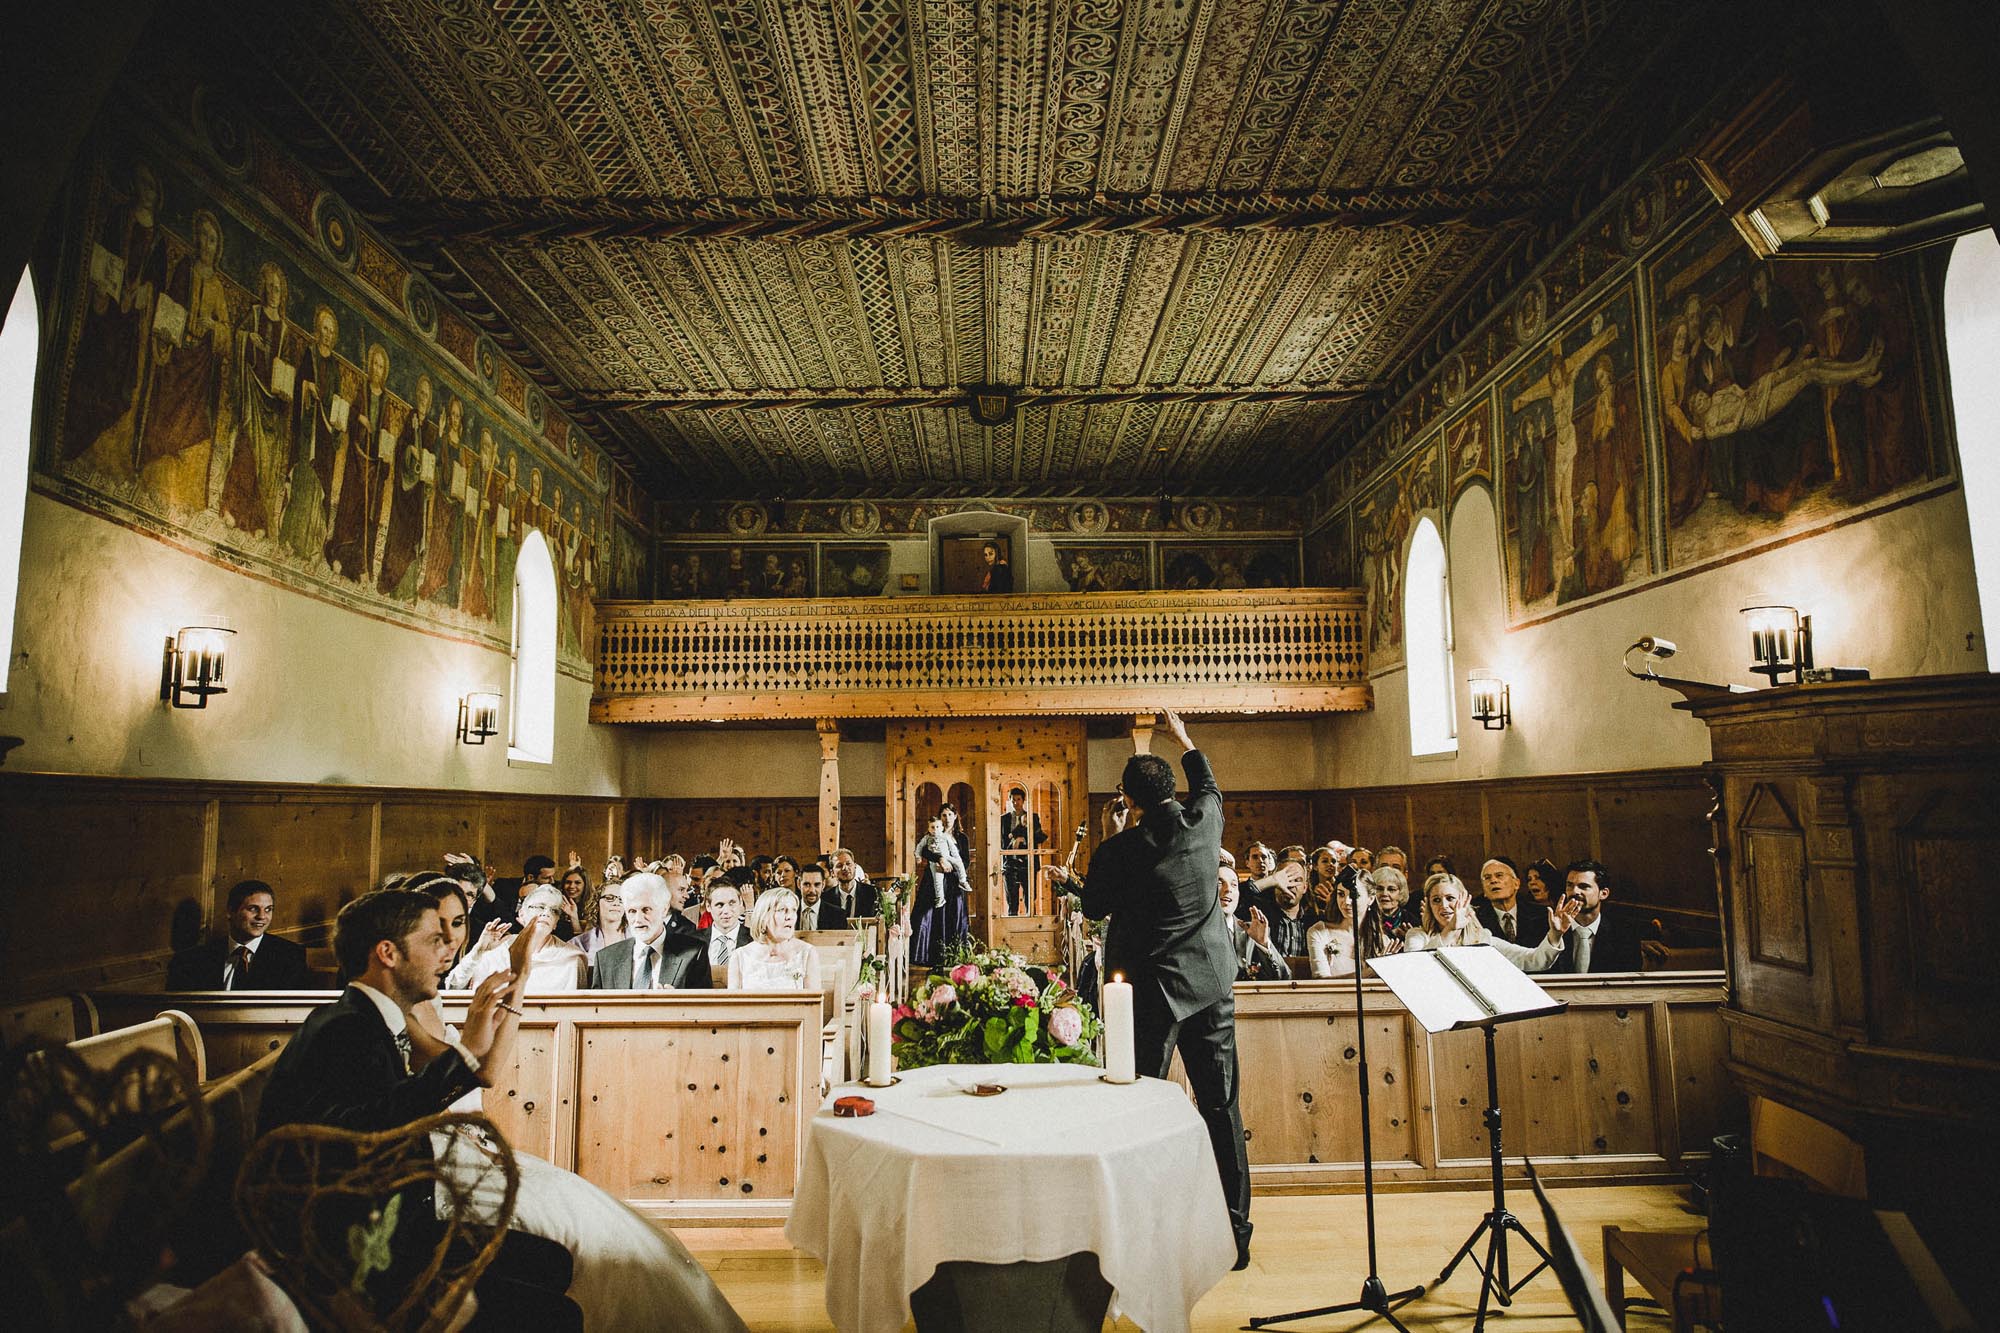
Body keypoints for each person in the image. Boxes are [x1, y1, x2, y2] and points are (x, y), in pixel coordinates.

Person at [256, 889, 582, 1328]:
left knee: (551, 1261)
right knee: (557, 1316)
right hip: (354, 1252)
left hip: (399, 1223)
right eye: (433, 940)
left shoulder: (370, 1019)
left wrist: (473, 1042)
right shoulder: (344, 1031)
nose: (448, 950)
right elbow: (361, 1135)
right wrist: (465, 1051)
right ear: (388, 953)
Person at [1048, 709, 1252, 1270]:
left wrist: (1116, 838)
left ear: (1127, 799)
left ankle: (1137, 1225)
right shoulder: (1206, 820)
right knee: (1221, 1106)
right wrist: (1183, 738)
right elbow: (1207, 784)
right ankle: (1236, 1236)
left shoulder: (1120, 850)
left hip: (1151, 995)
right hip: (1211, 987)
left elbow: (1093, 906)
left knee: (1138, 1108)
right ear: (1171, 792)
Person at [1403, 873, 1572, 972]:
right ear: (1429, 905)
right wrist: (1450, 930)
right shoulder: (1417, 936)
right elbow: (1416, 969)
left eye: (1450, 898)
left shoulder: (1481, 938)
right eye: (1436, 900)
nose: (1444, 906)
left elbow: (1533, 960)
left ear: (1464, 900)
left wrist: (1555, 935)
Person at [167, 879, 314, 990]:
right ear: (231, 911)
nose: (262, 916)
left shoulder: (290, 956)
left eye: (268, 909)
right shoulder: (193, 961)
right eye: (253, 909)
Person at [456, 885, 587, 992]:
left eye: (554, 911)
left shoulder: (572, 958)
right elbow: (455, 986)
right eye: (540, 907)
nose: (546, 913)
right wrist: (479, 950)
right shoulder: (497, 951)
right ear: (521, 915)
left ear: (556, 923)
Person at [589, 874, 711, 989]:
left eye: (646, 910)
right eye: (632, 911)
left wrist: (677, 1005)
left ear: (664, 909)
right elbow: (596, 1010)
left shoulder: (693, 953)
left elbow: (704, 1009)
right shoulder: (605, 959)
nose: (638, 919)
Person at [1551, 859, 1645, 973]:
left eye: (1583, 886)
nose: (1574, 891)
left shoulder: (1624, 934)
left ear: (1603, 893)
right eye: (1570, 885)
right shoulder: (1548, 928)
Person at [728, 889, 822, 992]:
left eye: (794, 910)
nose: (790, 917)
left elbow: (813, 1004)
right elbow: (732, 1005)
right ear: (763, 917)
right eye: (782, 910)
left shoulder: (807, 954)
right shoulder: (740, 957)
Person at [911, 814, 969, 965]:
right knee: (928, 914)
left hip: (953, 881)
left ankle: (954, 956)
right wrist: (939, 860)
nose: (947, 818)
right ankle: (929, 955)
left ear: (955, 817)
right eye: (944, 815)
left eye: (950, 815)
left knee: (954, 915)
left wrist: (951, 868)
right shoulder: (930, 836)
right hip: (934, 878)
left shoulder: (960, 838)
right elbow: (924, 852)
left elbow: (964, 860)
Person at [1218, 864, 1289, 982]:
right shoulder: (1193, 931)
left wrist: (1264, 944)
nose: (1228, 889)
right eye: (1220, 883)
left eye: (1234, 884)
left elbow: (1283, 977)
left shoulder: (1251, 932)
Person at [1473, 856, 1549, 946]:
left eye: (1499, 875)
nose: (1493, 880)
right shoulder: (1475, 920)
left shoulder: (1542, 915)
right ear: (1484, 890)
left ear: (1516, 884)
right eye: (1487, 878)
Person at [1305, 868, 1363, 978]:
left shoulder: (1381, 938)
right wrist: (1370, 972)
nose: (1346, 902)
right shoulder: (1320, 932)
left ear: (1371, 898)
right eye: (1341, 894)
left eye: (1354, 895)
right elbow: (1321, 983)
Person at [1000, 786, 1046, 915]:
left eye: (1018, 799)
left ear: (1023, 800)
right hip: (1010, 863)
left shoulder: (1033, 817)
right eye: (1013, 800)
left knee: (1030, 900)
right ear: (1010, 800)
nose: (1016, 803)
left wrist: (1023, 839)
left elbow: (1039, 838)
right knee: (1012, 901)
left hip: (1028, 863)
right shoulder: (1003, 819)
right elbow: (1001, 841)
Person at [699, 881, 754, 975]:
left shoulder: (754, 940)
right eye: (719, 905)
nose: (726, 911)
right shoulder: (694, 940)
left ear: (740, 902)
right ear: (708, 906)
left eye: (732, 903)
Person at [574, 879, 625, 962]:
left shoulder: (639, 940)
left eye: (621, 899)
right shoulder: (578, 943)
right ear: (597, 903)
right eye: (609, 898)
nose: (616, 903)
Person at [828, 848, 878, 921]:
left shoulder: (872, 893)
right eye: (839, 865)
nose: (845, 868)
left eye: (848, 864)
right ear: (832, 873)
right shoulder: (826, 898)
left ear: (855, 867)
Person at [797, 863, 842, 930]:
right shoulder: (788, 912)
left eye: (817, 884)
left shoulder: (838, 915)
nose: (812, 890)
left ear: (823, 885)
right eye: (806, 884)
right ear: (798, 884)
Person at [553, 862, 589, 941]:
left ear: (585, 885)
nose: (572, 886)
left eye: (577, 883)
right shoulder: (556, 903)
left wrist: (573, 917)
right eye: (568, 882)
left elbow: (584, 943)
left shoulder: (592, 907)